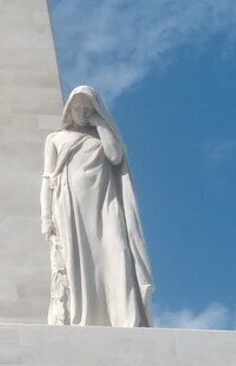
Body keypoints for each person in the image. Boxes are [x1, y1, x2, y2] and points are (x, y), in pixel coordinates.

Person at [40, 86, 154, 327]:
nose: (81, 112)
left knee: (117, 250)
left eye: (87, 108)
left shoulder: (101, 136)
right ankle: (84, 318)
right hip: (70, 205)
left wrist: (101, 124)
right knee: (78, 262)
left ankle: (127, 318)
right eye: (77, 107)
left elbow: (114, 156)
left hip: (105, 202)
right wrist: (45, 217)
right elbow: (48, 180)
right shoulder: (56, 139)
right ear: (68, 109)